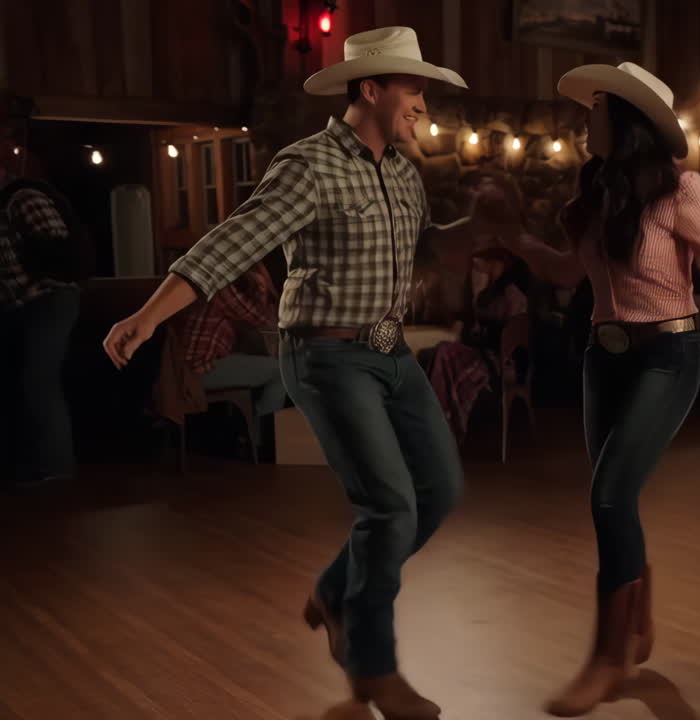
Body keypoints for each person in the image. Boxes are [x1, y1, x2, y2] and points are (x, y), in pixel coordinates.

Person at [102, 27, 469, 720]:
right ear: (371, 88)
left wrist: (484, 227)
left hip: (392, 355)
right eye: (414, 87)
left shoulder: (402, 172)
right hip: (326, 356)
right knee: (390, 505)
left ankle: (334, 591)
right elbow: (229, 243)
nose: (422, 103)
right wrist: (147, 317)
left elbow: (425, 249)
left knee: (439, 491)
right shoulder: (309, 166)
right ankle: (373, 669)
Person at [495, 62, 700, 716]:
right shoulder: (591, 192)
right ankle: (636, 616)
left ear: (625, 118)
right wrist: (515, 241)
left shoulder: (680, 189)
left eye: (596, 109)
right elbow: (569, 271)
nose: (586, 119)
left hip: (668, 356)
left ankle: (608, 659)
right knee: (613, 499)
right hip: (603, 357)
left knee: (611, 493)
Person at [0, 161, 85, 487]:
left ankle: (57, 469)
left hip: (49, 300)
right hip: (22, 305)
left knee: (39, 380)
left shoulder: (22, 198)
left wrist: (38, 272)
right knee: (27, 383)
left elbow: (61, 252)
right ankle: (34, 467)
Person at [426, 247, 529, 444]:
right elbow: (469, 332)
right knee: (435, 354)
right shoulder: (484, 294)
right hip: (481, 356)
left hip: (499, 363)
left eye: (480, 265)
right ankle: (437, 423)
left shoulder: (511, 294)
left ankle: (443, 428)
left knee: (445, 353)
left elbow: (507, 338)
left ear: (497, 265)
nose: (476, 271)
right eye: (474, 267)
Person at [178, 261, 289, 417]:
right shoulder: (223, 289)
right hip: (197, 371)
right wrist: (262, 287)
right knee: (281, 371)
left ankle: (256, 426)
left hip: (196, 367)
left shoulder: (215, 285)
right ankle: (268, 431)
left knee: (261, 361)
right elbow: (261, 319)